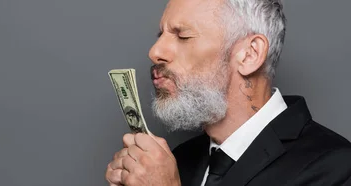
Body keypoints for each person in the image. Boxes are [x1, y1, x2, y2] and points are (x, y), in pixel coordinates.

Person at [105, 0, 351, 185]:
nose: (155, 51)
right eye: (161, 35)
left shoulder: (335, 166)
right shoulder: (175, 161)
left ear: (250, 54)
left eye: (182, 36)